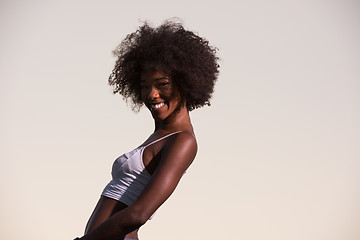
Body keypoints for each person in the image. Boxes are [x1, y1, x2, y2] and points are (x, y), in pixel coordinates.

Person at [74, 19, 219, 240]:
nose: (151, 94)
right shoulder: (160, 135)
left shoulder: (182, 141)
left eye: (162, 84)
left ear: (186, 82)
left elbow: (139, 214)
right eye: (144, 86)